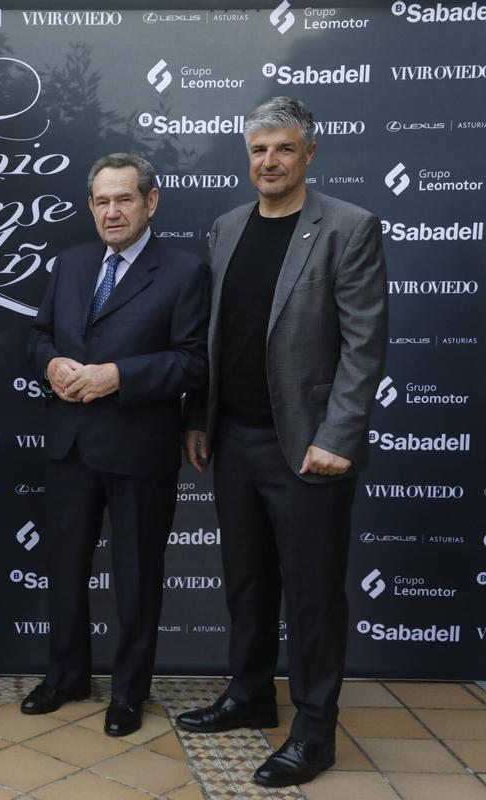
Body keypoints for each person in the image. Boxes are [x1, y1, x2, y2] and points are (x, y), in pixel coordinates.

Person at [177, 96, 387, 788]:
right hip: (234, 438)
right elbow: (218, 336)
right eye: (259, 150)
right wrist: (200, 417)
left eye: (284, 149)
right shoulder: (228, 227)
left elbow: (363, 346)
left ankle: (315, 732)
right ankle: (249, 695)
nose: (269, 162)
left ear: (309, 154)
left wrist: (337, 436)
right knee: (246, 582)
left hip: (306, 447)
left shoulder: (348, 228)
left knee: (312, 594)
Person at [23, 153, 210, 737]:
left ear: (150, 202)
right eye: (102, 201)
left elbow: (194, 361)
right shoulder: (72, 264)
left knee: (136, 577)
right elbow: (39, 334)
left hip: (139, 448)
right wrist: (50, 363)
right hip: (70, 444)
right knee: (64, 569)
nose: (112, 211)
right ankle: (65, 677)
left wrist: (118, 376)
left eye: (124, 199)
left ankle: (128, 693)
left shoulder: (184, 272)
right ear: (90, 207)